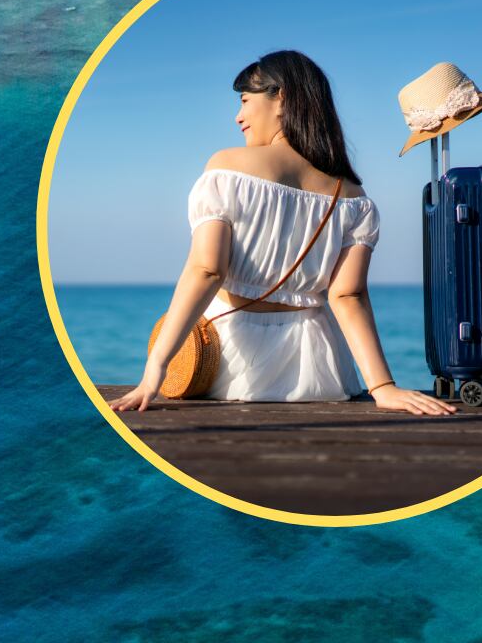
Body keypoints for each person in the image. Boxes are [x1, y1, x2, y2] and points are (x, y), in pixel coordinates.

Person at [112, 50, 455, 416]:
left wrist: (155, 370)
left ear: (282, 98)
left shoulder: (228, 169)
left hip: (229, 364)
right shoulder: (353, 196)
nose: (238, 116)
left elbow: (206, 271)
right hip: (317, 371)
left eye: (245, 100)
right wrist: (383, 387)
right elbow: (348, 296)